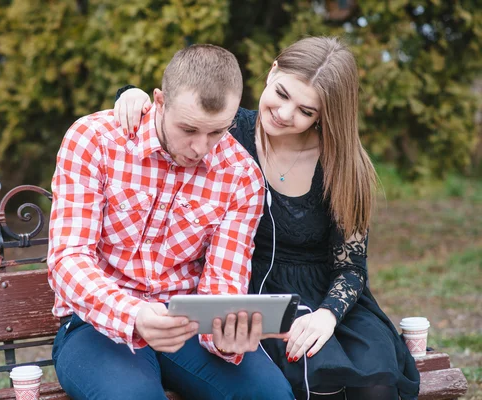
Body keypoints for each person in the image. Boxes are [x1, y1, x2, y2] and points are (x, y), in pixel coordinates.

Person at [114, 36, 421, 400]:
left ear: (326, 115)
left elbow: (352, 268)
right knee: (314, 375)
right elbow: (181, 104)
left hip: (329, 299)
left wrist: (328, 314)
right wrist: (129, 93)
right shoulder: (224, 132)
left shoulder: (341, 164)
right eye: (282, 94)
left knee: (373, 383)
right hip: (257, 293)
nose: (285, 113)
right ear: (272, 71)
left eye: (307, 111)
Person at [47, 44, 295, 400]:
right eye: (189, 129)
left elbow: (224, 282)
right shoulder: (94, 140)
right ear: (159, 101)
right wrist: (134, 315)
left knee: (271, 394)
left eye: (217, 132)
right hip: (97, 325)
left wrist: (226, 339)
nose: (200, 147)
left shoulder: (241, 175)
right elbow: (68, 259)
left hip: (188, 323)